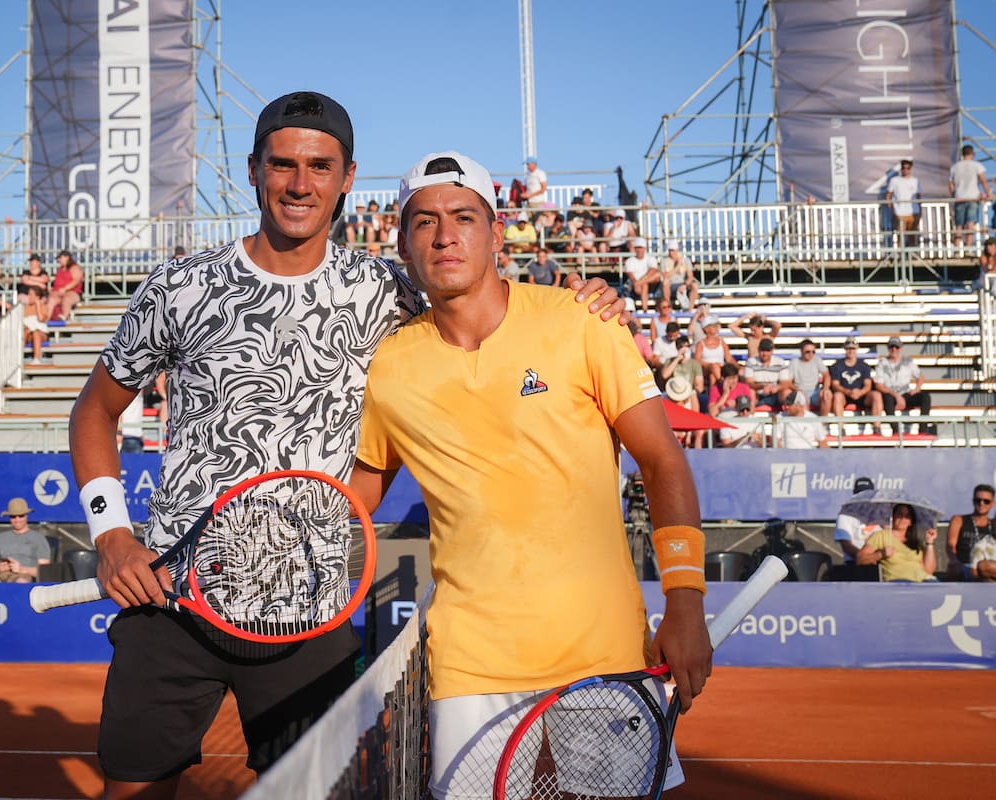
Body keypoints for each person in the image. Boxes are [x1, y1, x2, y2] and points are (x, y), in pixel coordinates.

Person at [65, 92, 629, 799]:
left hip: (311, 611)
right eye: (284, 164)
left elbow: (486, 310)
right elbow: (94, 410)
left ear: (347, 178)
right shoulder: (181, 285)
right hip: (172, 603)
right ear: (254, 170)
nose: (301, 183)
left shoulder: (388, 292)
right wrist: (112, 533)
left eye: (320, 166)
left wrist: (587, 299)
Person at [350, 150, 710, 799]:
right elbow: (353, 500)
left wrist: (684, 601)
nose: (445, 234)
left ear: (496, 230)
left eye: (464, 216)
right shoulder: (389, 368)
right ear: (401, 241)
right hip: (469, 664)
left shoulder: (582, 322)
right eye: (424, 221)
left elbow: (662, 461)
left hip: (604, 656)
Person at [858, 502, 938, 582]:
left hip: (922, 581)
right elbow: (860, 559)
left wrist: (930, 542)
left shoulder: (916, 542)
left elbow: (929, 570)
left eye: (907, 516)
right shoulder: (881, 536)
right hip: (898, 583)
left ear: (911, 521)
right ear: (893, 516)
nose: (903, 518)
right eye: (900, 514)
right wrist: (881, 554)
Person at [873, 337, 933, 434]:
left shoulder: (907, 361)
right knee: (887, 398)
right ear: (888, 348)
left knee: (925, 397)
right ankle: (896, 431)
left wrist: (916, 389)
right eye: (891, 347)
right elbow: (879, 385)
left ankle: (923, 430)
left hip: (906, 393)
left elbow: (920, 376)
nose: (894, 349)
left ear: (900, 348)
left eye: (896, 347)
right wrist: (896, 396)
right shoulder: (882, 363)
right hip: (891, 394)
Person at [833, 477, 882, 575]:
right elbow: (846, 545)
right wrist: (865, 557)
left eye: (867, 494)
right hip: (854, 563)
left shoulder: (881, 515)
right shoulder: (844, 515)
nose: (863, 498)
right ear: (854, 495)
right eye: (860, 494)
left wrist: (876, 557)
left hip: (879, 562)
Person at [829, 337, 882, 428]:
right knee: (837, 396)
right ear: (845, 349)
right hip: (844, 395)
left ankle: (877, 426)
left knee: (876, 395)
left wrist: (860, 392)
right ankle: (841, 428)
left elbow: (868, 385)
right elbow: (835, 385)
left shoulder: (864, 366)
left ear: (857, 349)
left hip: (861, 396)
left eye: (853, 348)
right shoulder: (837, 366)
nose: (850, 351)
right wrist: (848, 392)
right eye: (848, 348)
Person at [945, 484, 994, 581]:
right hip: (965, 565)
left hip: (988, 566)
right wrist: (955, 561)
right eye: (978, 500)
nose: (981, 503)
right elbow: (951, 545)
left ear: (993, 504)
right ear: (973, 501)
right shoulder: (959, 520)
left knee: (985, 566)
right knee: (953, 569)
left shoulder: (994, 524)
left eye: (986, 501)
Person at [949, 145, 989, 247]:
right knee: (970, 224)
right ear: (972, 154)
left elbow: (951, 185)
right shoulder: (976, 165)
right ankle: (969, 247)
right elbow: (983, 180)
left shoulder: (955, 167)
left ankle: (957, 247)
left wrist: (954, 194)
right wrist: (988, 193)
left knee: (959, 225)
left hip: (959, 198)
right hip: (972, 198)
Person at [743, 338, 793, 410]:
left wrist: (776, 388)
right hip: (758, 394)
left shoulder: (780, 362)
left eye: (768, 351)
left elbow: (785, 383)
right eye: (762, 350)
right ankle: (750, 415)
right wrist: (763, 386)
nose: (765, 353)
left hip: (776, 394)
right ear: (758, 350)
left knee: (787, 392)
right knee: (750, 391)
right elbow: (749, 382)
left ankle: (789, 416)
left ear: (772, 351)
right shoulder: (751, 362)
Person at [885, 159, 920, 249]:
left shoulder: (915, 181)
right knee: (901, 234)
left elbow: (918, 196)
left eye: (907, 168)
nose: (905, 170)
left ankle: (912, 255)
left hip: (913, 212)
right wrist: (891, 207)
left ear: (910, 168)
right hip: (900, 212)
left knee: (912, 234)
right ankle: (901, 255)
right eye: (903, 168)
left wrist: (919, 209)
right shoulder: (894, 180)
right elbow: (888, 195)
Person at [790, 339, 831, 415]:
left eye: (813, 352)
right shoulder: (794, 362)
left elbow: (826, 375)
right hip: (800, 392)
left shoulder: (817, 360)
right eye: (808, 351)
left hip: (815, 393)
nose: (811, 354)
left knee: (827, 395)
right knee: (801, 399)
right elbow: (789, 382)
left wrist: (825, 389)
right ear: (801, 351)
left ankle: (822, 424)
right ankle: (807, 425)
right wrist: (799, 391)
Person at [694, 314, 736, 385]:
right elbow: (697, 360)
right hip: (706, 369)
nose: (717, 327)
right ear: (706, 328)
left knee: (712, 376)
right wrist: (710, 364)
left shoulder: (721, 342)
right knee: (714, 367)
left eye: (717, 325)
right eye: (714, 325)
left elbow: (729, 358)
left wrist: (738, 366)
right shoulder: (701, 344)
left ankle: (713, 394)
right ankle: (723, 384)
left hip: (720, 368)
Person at [624, 237, 662, 310]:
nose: (639, 250)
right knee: (645, 284)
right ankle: (645, 309)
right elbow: (631, 275)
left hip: (646, 284)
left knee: (656, 276)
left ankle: (645, 309)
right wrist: (637, 283)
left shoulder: (650, 259)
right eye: (637, 248)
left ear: (644, 248)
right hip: (638, 286)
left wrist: (640, 281)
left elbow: (653, 270)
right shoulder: (630, 261)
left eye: (640, 247)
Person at [660, 240, 699, 309]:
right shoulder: (664, 261)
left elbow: (690, 276)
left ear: (677, 250)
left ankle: (690, 309)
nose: (671, 252)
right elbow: (665, 276)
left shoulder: (686, 260)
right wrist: (677, 267)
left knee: (694, 285)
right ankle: (668, 308)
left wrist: (685, 285)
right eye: (670, 250)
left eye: (673, 250)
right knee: (665, 282)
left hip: (682, 283)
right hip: (671, 284)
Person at [46, 250, 83, 322]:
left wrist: (65, 289)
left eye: (60, 258)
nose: (59, 260)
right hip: (59, 294)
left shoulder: (74, 268)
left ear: (67, 257)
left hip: (73, 293)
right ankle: (47, 318)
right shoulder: (60, 269)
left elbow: (76, 280)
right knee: (51, 300)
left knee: (67, 299)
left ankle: (64, 317)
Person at [23, 286, 51, 364]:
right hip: (28, 332)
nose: (29, 297)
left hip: (40, 333)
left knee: (36, 333)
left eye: (31, 295)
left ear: (37, 297)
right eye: (28, 294)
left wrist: (38, 305)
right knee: (24, 331)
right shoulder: (24, 308)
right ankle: (18, 357)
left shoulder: (44, 307)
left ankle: (36, 358)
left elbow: (41, 319)